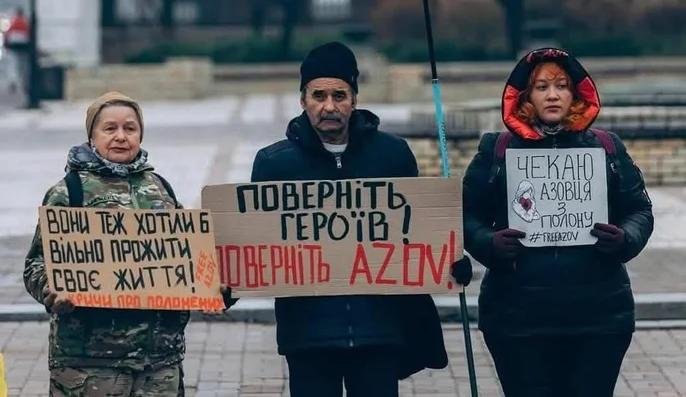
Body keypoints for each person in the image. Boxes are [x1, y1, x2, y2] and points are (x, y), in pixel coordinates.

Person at [249, 41, 472, 397]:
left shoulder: (392, 154)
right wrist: (231, 279)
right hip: (308, 335)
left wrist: (449, 262)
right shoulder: (274, 164)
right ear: (302, 100)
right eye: (318, 95)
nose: (329, 106)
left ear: (354, 99)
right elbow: (255, 243)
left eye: (340, 95)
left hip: (379, 330)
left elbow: (417, 230)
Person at [462, 48, 654, 397]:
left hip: (599, 318)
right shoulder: (497, 149)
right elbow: (467, 215)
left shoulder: (607, 147)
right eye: (541, 87)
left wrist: (624, 238)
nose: (553, 95)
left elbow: (640, 210)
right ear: (524, 96)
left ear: (576, 93)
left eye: (562, 85)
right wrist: (488, 243)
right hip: (517, 319)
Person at [24, 90, 234, 397]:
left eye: (130, 128)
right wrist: (50, 289)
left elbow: (183, 260)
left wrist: (214, 288)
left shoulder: (160, 189)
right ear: (92, 136)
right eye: (110, 129)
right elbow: (35, 265)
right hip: (91, 364)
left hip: (159, 362)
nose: (121, 136)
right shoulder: (69, 193)